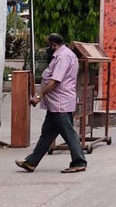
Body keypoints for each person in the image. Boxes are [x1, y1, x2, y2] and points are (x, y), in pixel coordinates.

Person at [15, 34, 87, 173]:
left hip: (60, 102)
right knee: (47, 134)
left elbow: (55, 81)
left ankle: (79, 162)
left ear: (54, 44)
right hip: (56, 103)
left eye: (50, 46)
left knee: (68, 133)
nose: (49, 49)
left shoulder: (63, 57)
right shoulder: (64, 54)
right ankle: (31, 162)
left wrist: (38, 96)